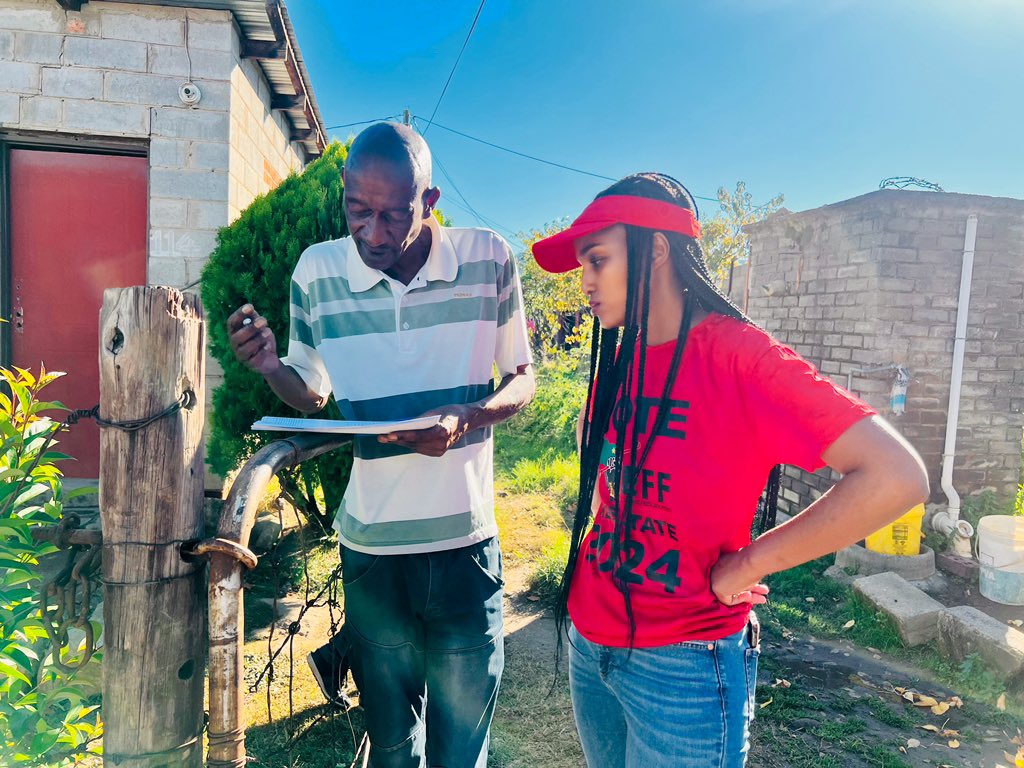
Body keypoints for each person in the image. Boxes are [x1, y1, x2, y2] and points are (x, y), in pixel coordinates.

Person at [530, 172, 929, 768]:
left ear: (655, 249)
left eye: (597, 260)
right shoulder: (620, 358)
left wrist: (748, 563)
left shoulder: (742, 358)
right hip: (592, 643)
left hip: (684, 664)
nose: (584, 282)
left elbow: (896, 475)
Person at [228, 122, 535, 768]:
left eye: (394, 216)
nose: (371, 233)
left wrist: (468, 415)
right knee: (392, 749)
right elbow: (312, 391)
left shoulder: (489, 259)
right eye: (357, 212)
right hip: (371, 558)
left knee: (461, 754)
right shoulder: (317, 272)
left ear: (430, 203)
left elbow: (523, 378)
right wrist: (269, 368)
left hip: (463, 557)